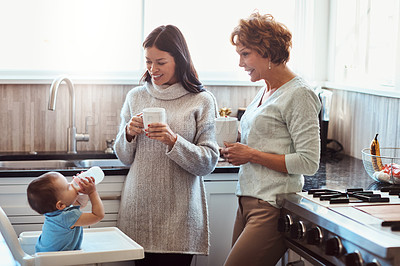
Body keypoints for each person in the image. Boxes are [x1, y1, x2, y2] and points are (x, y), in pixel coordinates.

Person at [114, 24, 219, 266]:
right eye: (148, 61)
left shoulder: (201, 100)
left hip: (180, 217)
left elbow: (208, 162)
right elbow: (123, 157)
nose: (152, 69)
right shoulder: (135, 97)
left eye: (160, 62)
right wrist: (128, 133)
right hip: (139, 212)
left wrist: (173, 140)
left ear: (179, 60)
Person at [221, 12, 321, 266]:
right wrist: (238, 151)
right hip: (247, 200)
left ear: (266, 51)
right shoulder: (265, 89)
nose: (241, 63)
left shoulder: (299, 94)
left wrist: (251, 155)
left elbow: (309, 162)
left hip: (272, 205)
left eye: (245, 54)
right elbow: (266, 142)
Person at [27, 171, 105, 252]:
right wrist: (92, 192)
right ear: (60, 205)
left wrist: (83, 191)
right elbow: (98, 215)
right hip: (53, 259)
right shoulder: (66, 217)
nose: (72, 184)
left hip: (43, 252)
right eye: (68, 187)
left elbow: (81, 204)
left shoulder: (56, 211)